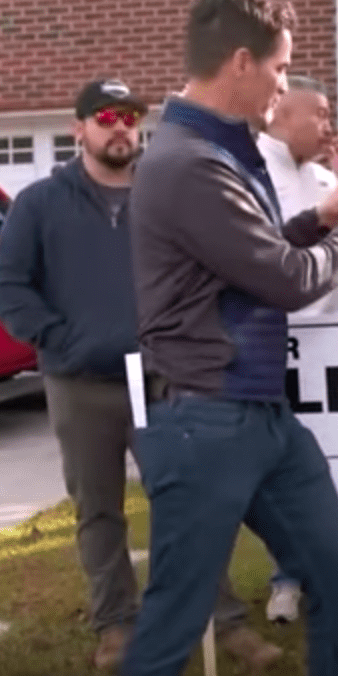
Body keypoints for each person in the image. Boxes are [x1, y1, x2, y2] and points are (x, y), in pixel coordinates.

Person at [122, 0, 338, 674]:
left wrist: (317, 217)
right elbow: (287, 281)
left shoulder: (213, 150)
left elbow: (245, 258)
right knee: (172, 624)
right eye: (279, 68)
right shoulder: (190, 162)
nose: (283, 83)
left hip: (261, 417)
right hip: (205, 421)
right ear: (241, 63)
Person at [0, 78, 281, 671]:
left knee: (190, 501)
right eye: (105, 116)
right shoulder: (39, 205)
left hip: (164, 378)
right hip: (80, 384)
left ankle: (222, 619)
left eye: (130, 116)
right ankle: (116, 624)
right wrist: (58, 336)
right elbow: (12, 286)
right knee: (98, 509)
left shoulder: (164, 194)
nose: (120, 126)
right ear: (79, 128)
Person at [257, 74, 338, 623]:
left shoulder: (326, 177)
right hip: (277, 348)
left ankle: (336, 581)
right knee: (283, 472)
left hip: (335, 344)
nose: (327, 124)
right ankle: (287, 578)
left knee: (335, 467)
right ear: (280, 114)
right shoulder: (246, 173)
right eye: (316, 113)